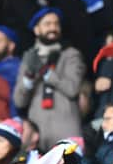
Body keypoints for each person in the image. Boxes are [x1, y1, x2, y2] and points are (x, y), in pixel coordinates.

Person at [13, 8, 86, 150]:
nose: (53, 27)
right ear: (36, 30)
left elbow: (72, 89)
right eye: (47, 24)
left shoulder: (71, 55)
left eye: (56, 24)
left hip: (66, 130)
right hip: (38, 132)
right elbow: (19, 101)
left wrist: (44, 71)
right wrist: (29, 77)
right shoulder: (29, 58)